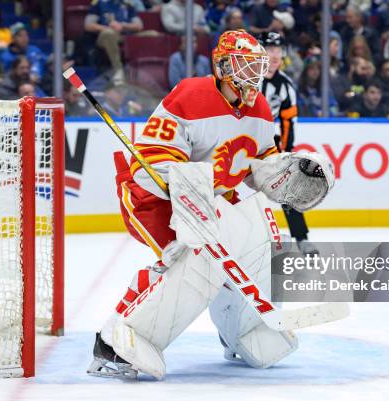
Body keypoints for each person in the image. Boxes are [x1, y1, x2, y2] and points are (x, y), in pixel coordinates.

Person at [86, 30, 334, 380]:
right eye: (244, 65)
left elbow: (261, 166)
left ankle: (242, 330)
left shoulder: (260, 108)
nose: (252, 75)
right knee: (189, 259)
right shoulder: (190, 94)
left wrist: (285, 174)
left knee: (256, 248)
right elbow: (156, 160)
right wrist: (195, 192)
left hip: (212, 203)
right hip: (156, 200)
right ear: (221, 65)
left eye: (256, 66)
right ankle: (116, 340)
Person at [258, 32, 317, 255]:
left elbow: (288, 121)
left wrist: (286, 151)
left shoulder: (285, 85)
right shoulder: (248, 78)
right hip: (243, 142)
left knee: (289, 188)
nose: (274, 55)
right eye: (269, 49)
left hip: (271, 144)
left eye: (278, 50)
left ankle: (302, 238)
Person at [84, 0, 143, 85]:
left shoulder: (127, 4)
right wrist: (107, 28)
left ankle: (146, 72)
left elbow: (139, 25)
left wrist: (122, 26)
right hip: (105, 35)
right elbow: (88, 25)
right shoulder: (99, 4)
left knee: (153, 34)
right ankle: (118, 70)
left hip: (125, 35)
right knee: (109, 34)